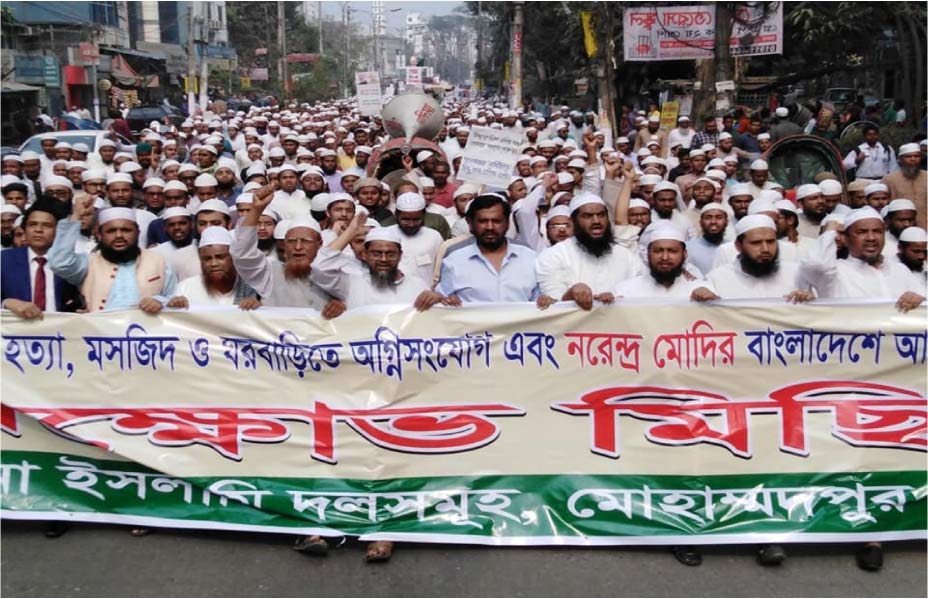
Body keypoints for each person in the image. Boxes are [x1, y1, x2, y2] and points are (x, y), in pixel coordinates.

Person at [48, 197, 177, 313]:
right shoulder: (88, 263)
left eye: (126, 230)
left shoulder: (159, 261)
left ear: (138, 232)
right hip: (101, 331)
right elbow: (59, 263)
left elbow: (174, 298)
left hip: (147, 330)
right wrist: (76, 216)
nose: (119, 236)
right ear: (99, 235)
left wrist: (159, 301)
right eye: (111, 231)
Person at [230, 183, 343, 315]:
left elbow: (358, 303)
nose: (298, 247)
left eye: (306, 241)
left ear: (319, 244)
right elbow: (242, 254)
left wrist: (343, 305)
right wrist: (256, 209)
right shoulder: (270, 273)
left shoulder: (336, 274)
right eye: (291, 241)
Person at [799, 206, 925, 310]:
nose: (871, 238)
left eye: (877, 231)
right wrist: (830, 230)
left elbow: (924, 301)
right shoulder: (836, 273)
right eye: (862, 232)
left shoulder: (899, 270)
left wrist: (918, 299)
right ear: (846, 239)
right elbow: (816, 265)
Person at [437, 194, 552, 306]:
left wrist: (546, 301)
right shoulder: (454, 261)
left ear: (507, 223)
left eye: (496, 221)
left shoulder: (530, 258)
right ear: (470, 223)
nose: (490, 227)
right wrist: (443, 300)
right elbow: (441, 302)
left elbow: (541, 299)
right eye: (482, 221)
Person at [535, 193, 641, 309]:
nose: (596, 221)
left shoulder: (626, 256)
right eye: (587, 216)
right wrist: (572, 293)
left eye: (601, 215)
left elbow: (638, 294)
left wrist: (616, 297)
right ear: (573, 222)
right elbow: (553, 302)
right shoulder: (553, 255)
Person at [1, 197, 84, 318]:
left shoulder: (71, 262)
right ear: (25, 229)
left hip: (61, 328)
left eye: (47, 225)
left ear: (59, 230)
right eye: (32, 224)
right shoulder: (4, 260)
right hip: (16, 329)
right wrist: (6, 303)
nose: (38, 230)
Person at [701, 215, 812, 301]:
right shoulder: (717, 279)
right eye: (756, 243)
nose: (765, 249)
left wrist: (809, 300)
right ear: (738, 246)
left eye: (770, 242)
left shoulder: (796, 273)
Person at [166, 226, 261, 309]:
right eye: (207, 259)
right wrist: (175, 306)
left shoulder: (251, 287)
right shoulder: (186, 287)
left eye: (220, 257)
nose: (213, 263)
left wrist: (258, 307)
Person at [615, 223, 714, 299]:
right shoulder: (625, 291)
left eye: (672, 251)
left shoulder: (702, 290)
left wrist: (713, 302)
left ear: (685, 254)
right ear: (648, 254)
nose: (665, 257)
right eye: (658, 251)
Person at [882, 143, 926, 229]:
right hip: (900, 228)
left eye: (916, 156)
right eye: (908, 157)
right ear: (900, 160)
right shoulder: (889, 180)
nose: (913, 159)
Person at [685, 203, 729, 274]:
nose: (713, 222)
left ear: (726, 222)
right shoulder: (689, 247)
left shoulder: (733, 247)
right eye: (708, 218)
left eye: (719, 217)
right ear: (700, 223)